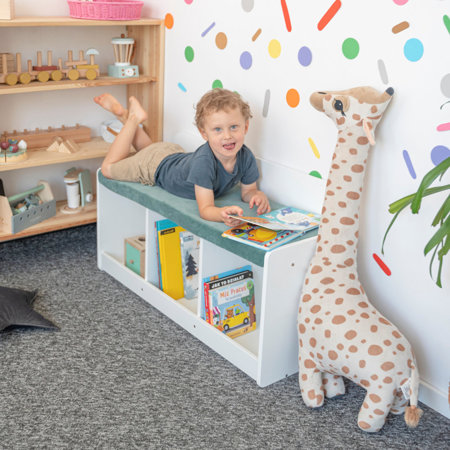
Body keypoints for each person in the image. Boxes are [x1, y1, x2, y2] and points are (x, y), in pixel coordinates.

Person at [95, 88, 270, 226]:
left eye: (234, 127)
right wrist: (221, 214)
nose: (227, 136)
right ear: (203, 133)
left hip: (171, 153)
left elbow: (248, 191)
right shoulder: (205, 163)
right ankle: (132, 119)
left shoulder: (246, 156)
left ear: (245, 127)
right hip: (153, 167)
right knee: (108, 169)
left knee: (149, 150)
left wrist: (256, 195)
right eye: (218, 129)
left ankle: (123, 114)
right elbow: (206, 209)